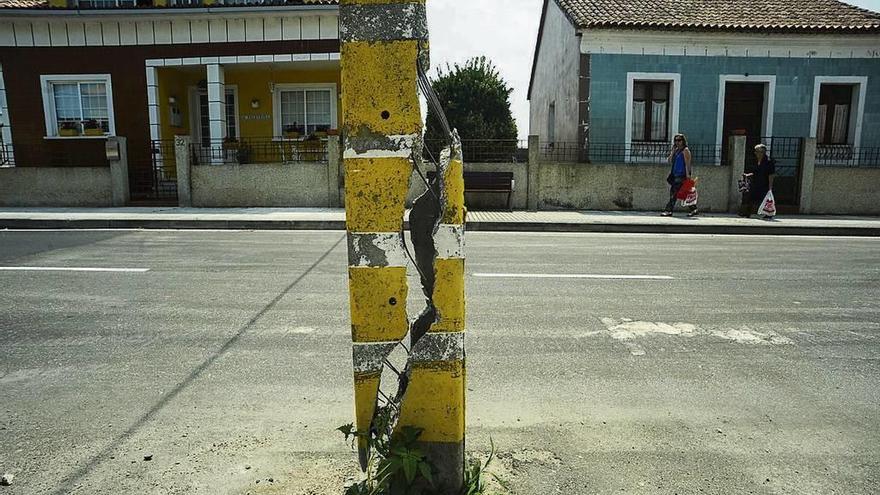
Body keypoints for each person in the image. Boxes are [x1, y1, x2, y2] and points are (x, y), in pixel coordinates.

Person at [661, 133, 698, 217]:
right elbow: (669, 160)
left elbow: (687, 163)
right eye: (676, 140)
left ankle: (668, 210)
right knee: (684, 194)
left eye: (679, 140)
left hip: (682, 175)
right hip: (675, 175)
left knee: (673, 193)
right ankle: (694, 209)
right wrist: (672, 152)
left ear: (683, 141)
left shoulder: (685, 150)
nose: (677, 142)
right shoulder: (677, 151)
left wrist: (688, 175)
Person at [739, 144, 776, 218]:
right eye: (755, 151)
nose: (755, 153)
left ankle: (768, 214)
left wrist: (770, 187)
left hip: (765, 183)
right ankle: (747, 213)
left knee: (765, 199)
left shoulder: (769, 162)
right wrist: (748, 175)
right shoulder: (756, 160)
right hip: (756, 182)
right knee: (751, 198)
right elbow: (756, 172)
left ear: (762, 152)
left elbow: (771, 175)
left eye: (757, 151)